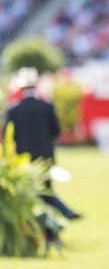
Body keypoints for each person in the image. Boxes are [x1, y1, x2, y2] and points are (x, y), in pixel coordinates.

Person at [3, 67, 81, 220]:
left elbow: (7, 137)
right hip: (45, 158)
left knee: (31, 195)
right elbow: (56, 131)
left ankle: (54, 222)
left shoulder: (13, 110)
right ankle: (63, 216)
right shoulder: (47, 107)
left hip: (22, 161)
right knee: (45, 191)